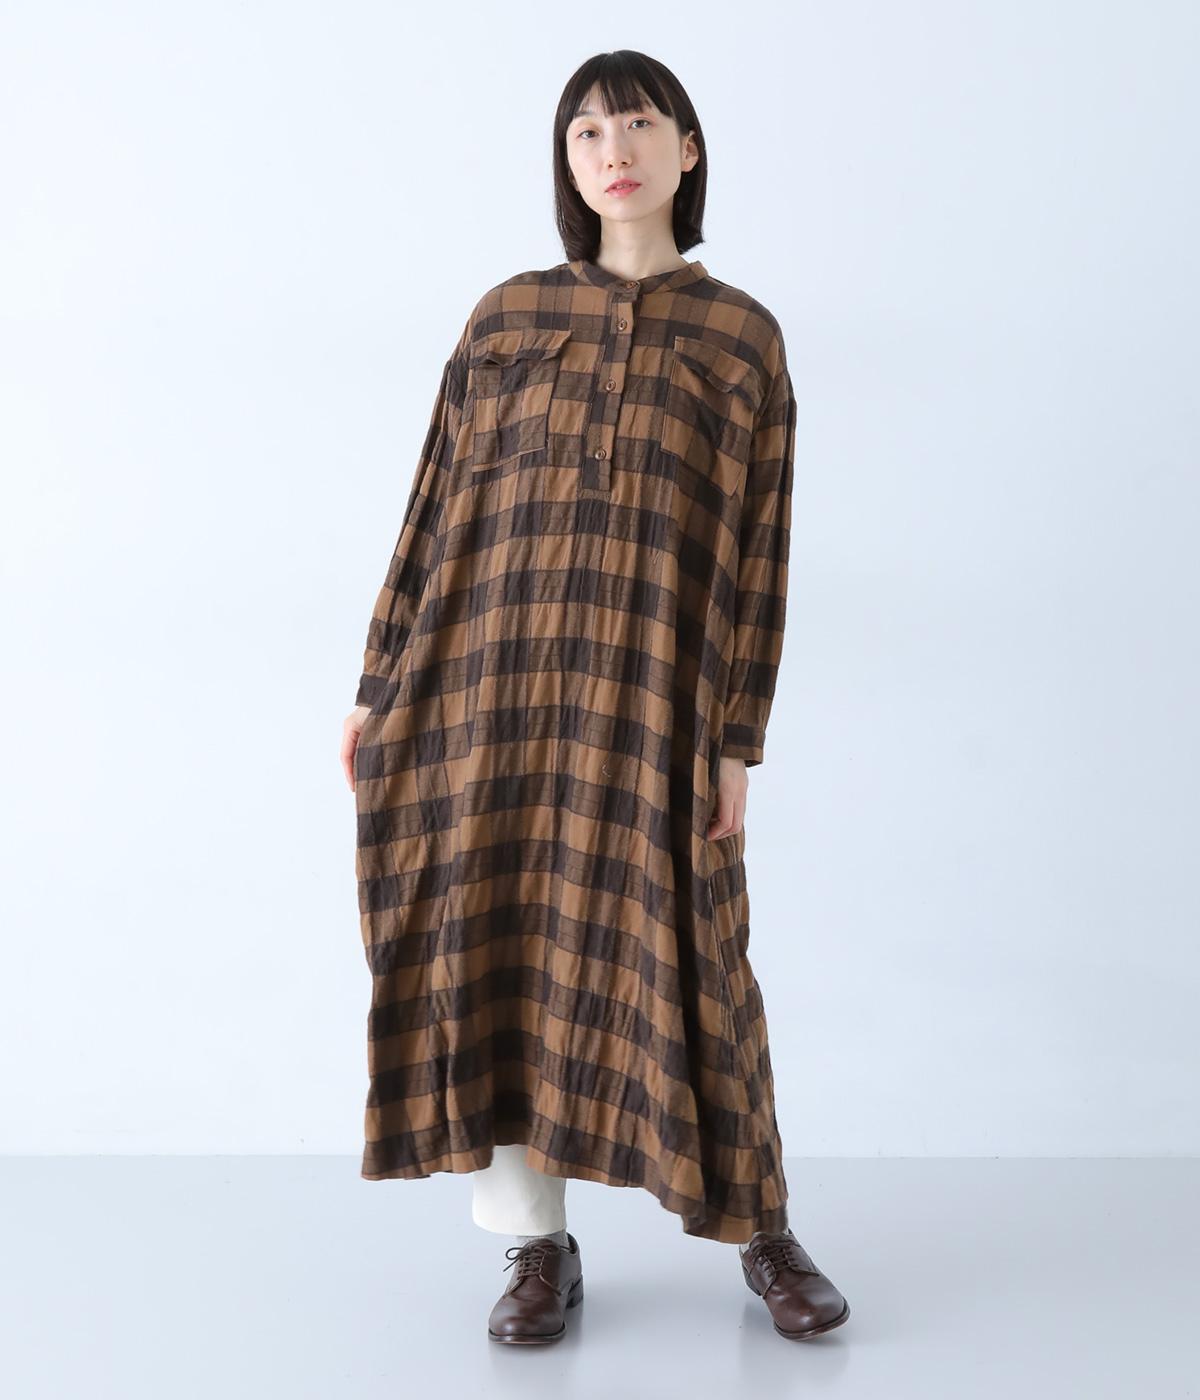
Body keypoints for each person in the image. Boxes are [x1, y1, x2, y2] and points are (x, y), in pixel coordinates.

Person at [339, 49, 850, 1345]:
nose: (612, 149)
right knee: (501, 940)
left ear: (687, 148)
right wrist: (381, 679)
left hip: (652, 703)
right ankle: (536, 1247)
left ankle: (761, 1224)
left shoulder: (740, 336)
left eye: (637, 123)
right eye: (584, 132)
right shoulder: (506, 316)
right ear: (565, 164)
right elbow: (432, 504)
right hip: (489, 689)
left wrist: (736, 739)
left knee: (697, 953)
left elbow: (762, 552)